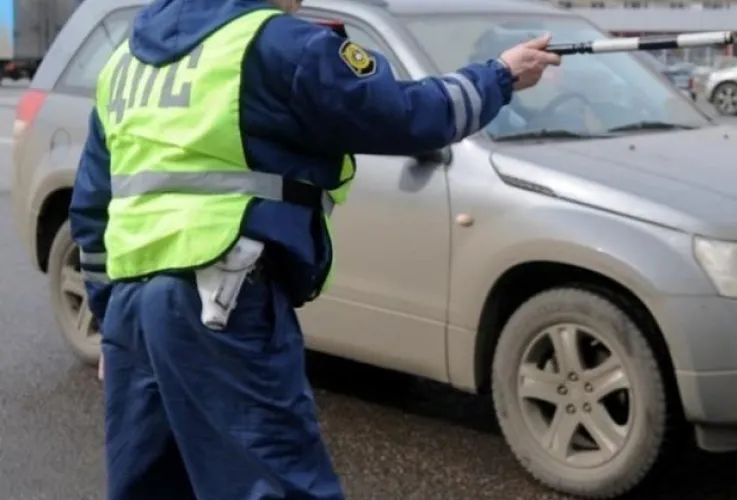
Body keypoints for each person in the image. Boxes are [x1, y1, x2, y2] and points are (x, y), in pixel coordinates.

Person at [68, 0, 560, 498]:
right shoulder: (277, 43)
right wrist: (500, 74)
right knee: (273, 482)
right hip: (219, 297)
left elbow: (91, 207)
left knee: (151, 484)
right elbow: (411, 114)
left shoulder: (125, 62)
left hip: (132, 308)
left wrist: (109, 321)